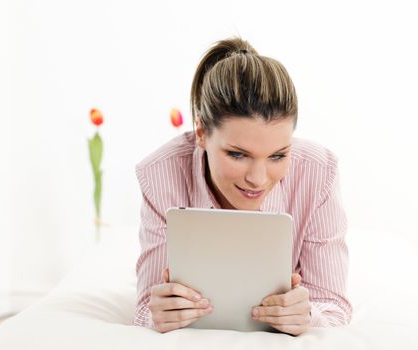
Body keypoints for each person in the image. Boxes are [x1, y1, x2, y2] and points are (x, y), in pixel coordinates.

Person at [133, 37, 352, 336]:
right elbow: (147, 306)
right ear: (201, 133)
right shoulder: (160, 173)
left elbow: (333, 307)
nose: (258, 179)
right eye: (237, 154)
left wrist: (307, 314)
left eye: (277, 155)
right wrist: (157, 312)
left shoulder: (318, 172)